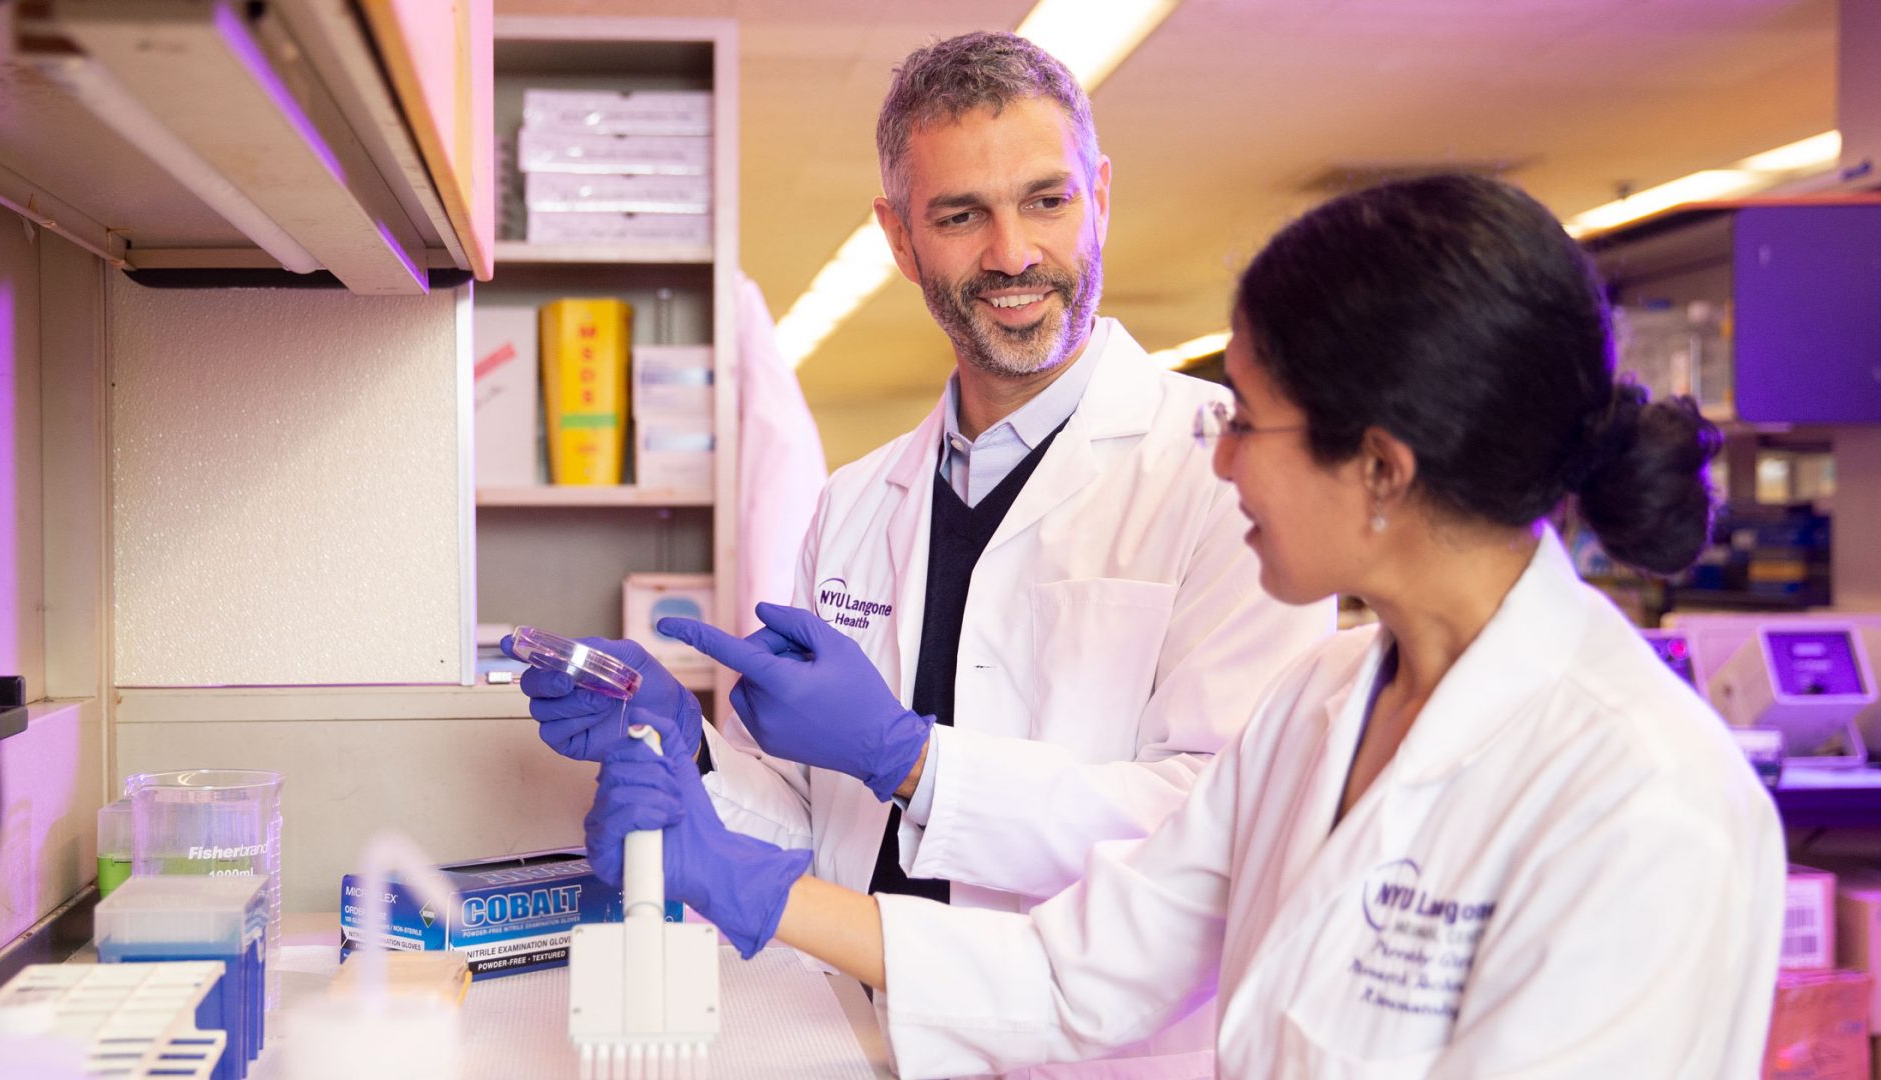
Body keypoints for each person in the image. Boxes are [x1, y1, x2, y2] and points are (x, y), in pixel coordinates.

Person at [582, 173, 1786, 1078]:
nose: (1217, 465)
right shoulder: (1326, 702)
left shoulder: (1642, 800)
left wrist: (900, 763)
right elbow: (1077, 971)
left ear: (1377, 466)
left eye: (1245, 424)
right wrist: (746, 880)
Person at [518, 30, 1331, 1078]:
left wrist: (914, 758)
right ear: (899, 237)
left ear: (1102, 195)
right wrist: (691, 751)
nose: (1013, 253)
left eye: (1048, 200)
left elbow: (1216, 826)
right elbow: (819, 825)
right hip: (859, 1037)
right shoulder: (854, 504)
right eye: (961, 215)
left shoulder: (1235, 473)